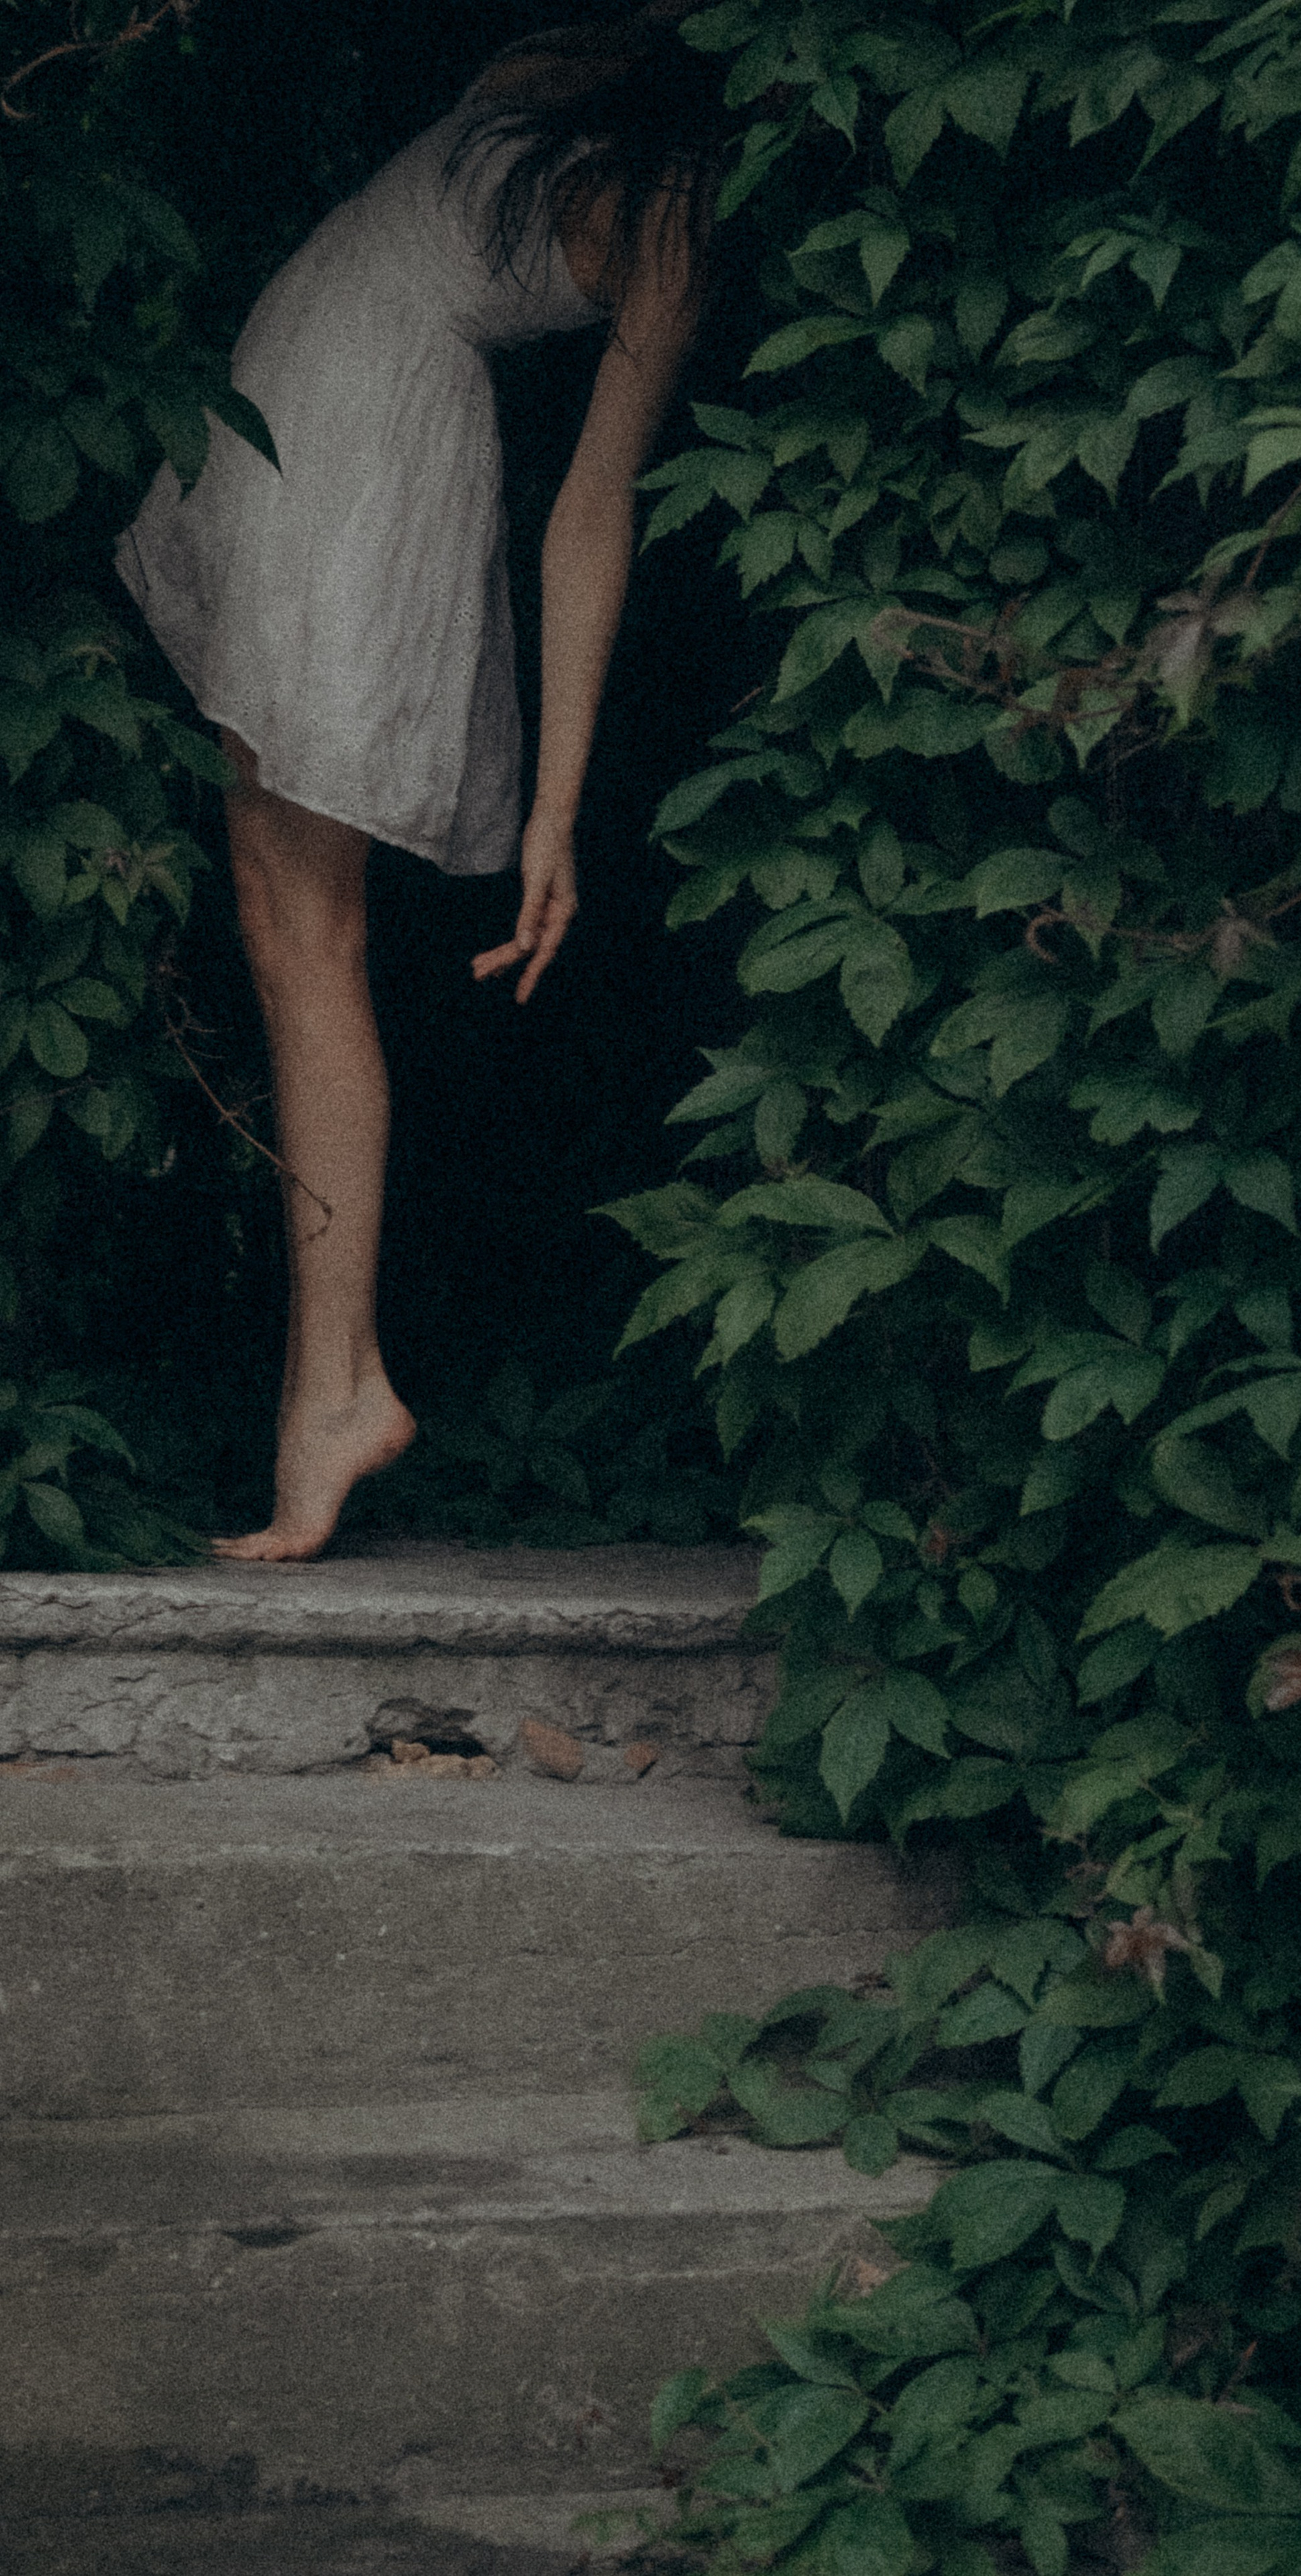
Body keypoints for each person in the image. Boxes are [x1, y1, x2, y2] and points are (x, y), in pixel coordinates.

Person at [115, 8, 718, 1561]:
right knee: (276, 919)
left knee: (302, 930)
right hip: (292, 418)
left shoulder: (676, 198)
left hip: (362, 456)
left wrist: (555, 812)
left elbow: (595, 506)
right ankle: (341, 1382)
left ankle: (334, 1395)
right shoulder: (582, 56)